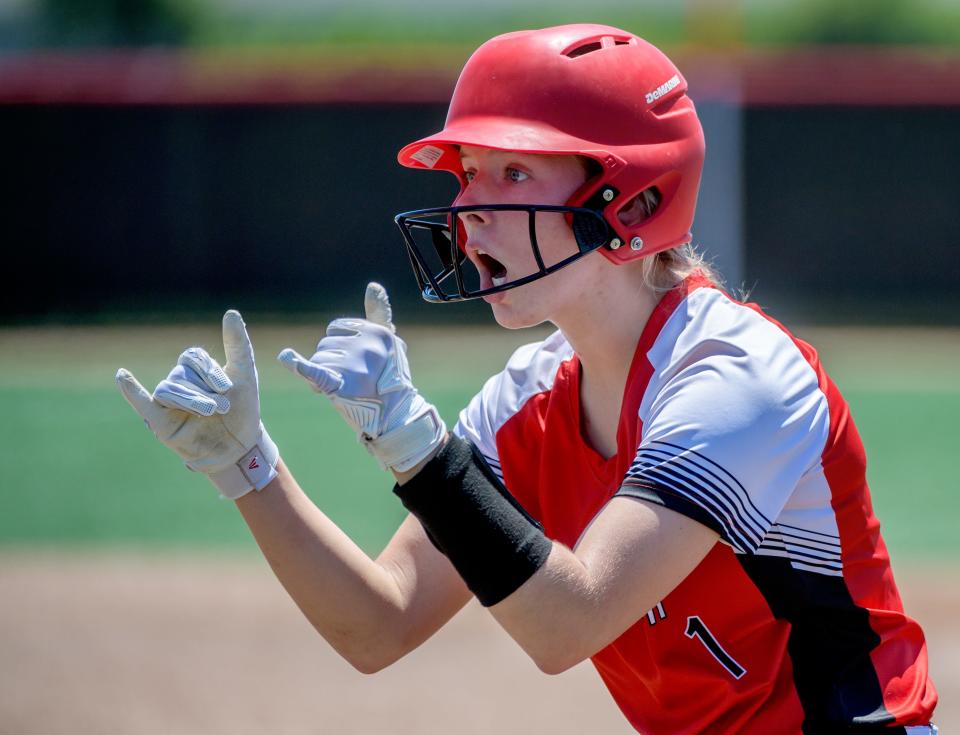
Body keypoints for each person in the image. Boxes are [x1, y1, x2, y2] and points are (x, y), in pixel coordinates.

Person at [115, 23, 938, 735]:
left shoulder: (735, 375)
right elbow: (379, 622)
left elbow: (566, 623)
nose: (469, 208)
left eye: (512, 173)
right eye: (467, 174)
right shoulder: (530, 395)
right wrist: (249, 471)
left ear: (631, 200)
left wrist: (418, 446)